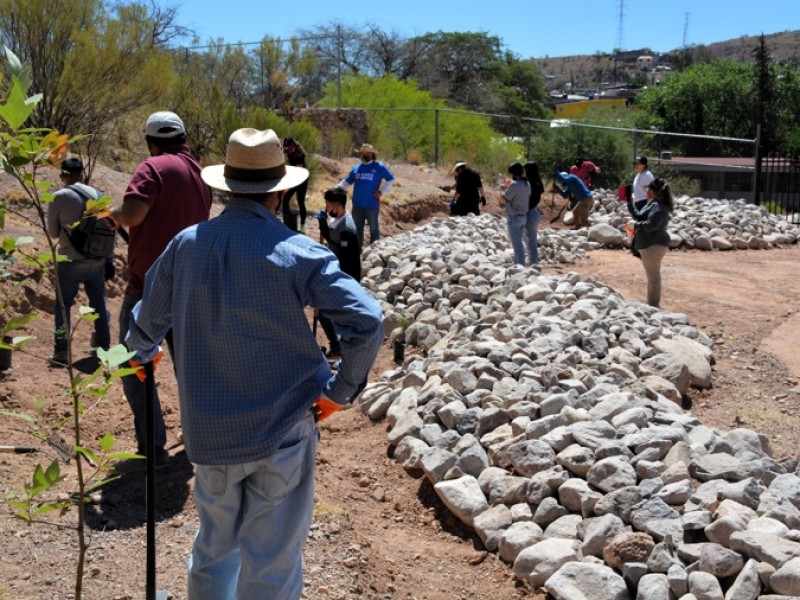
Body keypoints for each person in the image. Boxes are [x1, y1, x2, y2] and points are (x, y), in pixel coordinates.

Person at [125, 128, 384, 600]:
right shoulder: (299, 251)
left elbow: (144, 321)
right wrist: (340, 392)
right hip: (283, 431)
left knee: (214, 549)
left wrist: (144, 351)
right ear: (282, 190)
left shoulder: (185, 245)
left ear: (225, 186)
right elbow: (367, 321)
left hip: (211, 433)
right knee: (272, 561)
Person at [108, 110, 212, 464]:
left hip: (149, 287)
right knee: (191, 368)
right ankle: (201, 438)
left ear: (150, 142)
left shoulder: (152, 167)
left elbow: (135, 213)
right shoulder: (199, 172)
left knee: (133, 363)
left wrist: (114, 214)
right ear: (184, 138)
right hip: (192, 283)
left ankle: (152, 449)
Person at [45, 157, 111, 365]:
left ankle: (62, 352)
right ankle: (103, 348)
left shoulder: (59, 196)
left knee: (63, 306)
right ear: (81, 173)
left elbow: (53, 233)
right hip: (97, 260)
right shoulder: (99, 195)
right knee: (98, 304)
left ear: (63, 175)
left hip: (70, 260)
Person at [316, 186, 362, 359]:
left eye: (328, 206)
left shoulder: (347, 230)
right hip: (338, 276)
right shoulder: (340, 222)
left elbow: (346, 259)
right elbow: (332, 239)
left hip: (345, 279)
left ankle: (340, 348)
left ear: (336, 205)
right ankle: (339, 347)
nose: (326, 209)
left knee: (325, 312)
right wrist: (322, 223)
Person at [337, 143, 395, 248]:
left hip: (372, 205)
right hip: (357, 205)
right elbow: (346, 182)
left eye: (367, 153)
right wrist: (335, 189)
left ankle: (374, 251)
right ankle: (358, 252)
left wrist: (382, 192)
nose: (365, 155)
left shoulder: (379, 167)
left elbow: (390, 179)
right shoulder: (357, 168)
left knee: (373, 229)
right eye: (363, 153)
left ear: (372, 154)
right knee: (357, 229)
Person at [630, 177, 673, 308]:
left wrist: (636, 226)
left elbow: (650, 225)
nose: (647, 191)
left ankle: (653, 306)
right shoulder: (654, 205)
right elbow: (639, 216)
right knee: (652, 277)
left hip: (653, 246)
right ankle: (652, 304)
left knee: (654, 278)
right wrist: (628, 202)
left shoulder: (659, 208)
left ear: (654, 191)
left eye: (649, 189)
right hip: (651, 245)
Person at [500, 162, 536, 266]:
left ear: (514, 173)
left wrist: (502, 189)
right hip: (523, 217)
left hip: (514, 217)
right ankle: (517, 265)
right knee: (519, 243)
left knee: (517, 245)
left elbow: (504, 198)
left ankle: (520, 267)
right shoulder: (526, 184)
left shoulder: (514, 185)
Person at [281, 137, 308, 233]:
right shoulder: (289, 151)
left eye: (288, 149)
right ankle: (287, 220)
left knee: (300, 202)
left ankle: (302, 226)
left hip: (302, 179)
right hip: (294, 177)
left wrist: (288, 187)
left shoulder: (300, 155)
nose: (286, 151)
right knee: (285, 198)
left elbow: (298, 174)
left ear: (293, 146)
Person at [523, 161, 544, 265]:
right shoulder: (537, 183)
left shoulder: (528, 184)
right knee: (532, 240)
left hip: (528, 213)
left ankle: (530, 263)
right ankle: (534, 263)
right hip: (534, 212)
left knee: (527, 240)